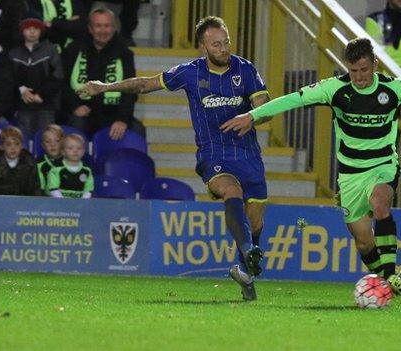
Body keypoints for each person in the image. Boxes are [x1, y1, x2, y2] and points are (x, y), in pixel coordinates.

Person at [221, 38, 401, 295]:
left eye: (364, 70)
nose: (360, 77)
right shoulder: (334, 89)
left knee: (380, 203)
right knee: (364, 242)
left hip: (383, 165)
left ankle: (390, 278)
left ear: (375, 64)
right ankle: (383, 277)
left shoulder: (394, 89)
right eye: (353, 71)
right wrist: (252, 115)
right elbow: (292, 100)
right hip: (351, 175)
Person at [80, 16, 268, 301]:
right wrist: (105, 87)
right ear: (203, 46)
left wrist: (253, 117)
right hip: (214, 154)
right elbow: (144, 85)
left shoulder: (246, 69)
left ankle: (245, 273)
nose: (223, 48)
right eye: (216, 44)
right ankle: (247, 251)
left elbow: (264, 107)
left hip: (248, 154)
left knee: (255, 223)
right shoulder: (189, 72)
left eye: (226, 41)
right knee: (232, 191)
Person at [62, 7, 144, 140]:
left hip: (113, 112)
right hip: (83, 111)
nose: (102, 31)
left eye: (107, 26)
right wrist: (74, 107)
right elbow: (63, 83)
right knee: (75, 125)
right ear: (90, 28)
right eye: (98, 26)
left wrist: (122, 119)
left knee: (137, 130)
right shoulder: (73, 50)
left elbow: (131, 89)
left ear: (113, 28)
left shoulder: (125, 54)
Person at [9, 12, 63, 138]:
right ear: (22, 30)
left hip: (46, 104)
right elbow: (10, 78)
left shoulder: (50, 50)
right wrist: (22, 90)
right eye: (28, 28)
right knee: (24, 138)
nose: (32, 31)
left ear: (41, 30)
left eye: (36, 28)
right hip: (23, 104)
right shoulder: (14, 53)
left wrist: (41, 94)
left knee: (47, 138)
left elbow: (58, 76)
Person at [0, 126, 40, 196]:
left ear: (22, 145)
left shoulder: (29, 162)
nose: (13, 148)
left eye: (17, 144)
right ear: (2, 146)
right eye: (8, 144)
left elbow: (34, 189)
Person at [47, 133, 94, 199]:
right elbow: (53, 189)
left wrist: (82, 203)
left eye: (79, 148)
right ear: (63, 152)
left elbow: (88, 190)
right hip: (59, 205)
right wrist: (65, 203)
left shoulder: (87, 170)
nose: (75, 151)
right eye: (70, 148)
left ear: (83, 152)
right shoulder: (56, 169)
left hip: (80, 206)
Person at [36, 123, 65, 195]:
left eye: (57, 141)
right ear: (43, 145)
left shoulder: (72, 162)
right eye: (48, 142)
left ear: (63, 142)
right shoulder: (38, 164)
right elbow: (38, 192)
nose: (52, 145)